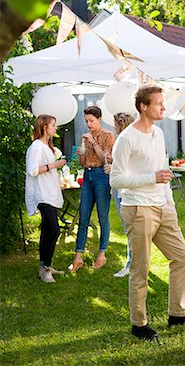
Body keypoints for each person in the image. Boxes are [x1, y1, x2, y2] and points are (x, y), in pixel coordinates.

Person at [110, 84, 185, 341]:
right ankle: (138, 323)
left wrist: (169, 204)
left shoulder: (159, 134)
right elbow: (116, 180)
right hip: (138, 208)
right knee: (141, 268)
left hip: (163, 206)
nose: (164, 107)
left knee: (182, 256)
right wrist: (151, 178)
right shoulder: (127, 138)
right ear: (144, 106)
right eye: (158, 103)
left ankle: (177, 314)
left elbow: (163, 172)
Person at [68, 106, 115, 272]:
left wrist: (93, 142)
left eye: (91, 121)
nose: (88, 124)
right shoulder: (85, 138)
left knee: (103, 217)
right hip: (87, 177)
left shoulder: (108, 136)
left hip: (102, 176)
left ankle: (102, 254)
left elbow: (105, 159)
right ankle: (78, 256)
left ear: (99, 119)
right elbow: (83, 163)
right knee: (83, 216)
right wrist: (81, 153)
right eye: (86, 121)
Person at [25, 115, 67, 283]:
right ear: (44, 127)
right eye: (53, 125)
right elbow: (33, 170)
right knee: (54, 230)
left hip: (50, 193)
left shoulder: (47, 147)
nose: (55, 128)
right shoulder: (36, 147)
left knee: (48, 231)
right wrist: (54, 165)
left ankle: (45, 267)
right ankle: (46, 267)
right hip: (41, 194)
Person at [104, 112, 135, 278]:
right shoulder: (127, 140)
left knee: (129, 228)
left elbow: (129, 167)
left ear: (120, 125)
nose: (114, 127)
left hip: (124, 190)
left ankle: (131, 264)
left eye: (115, 124)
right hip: (122, 189)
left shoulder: (125, 141)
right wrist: (113, 161)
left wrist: (112, 168)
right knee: (129, 228)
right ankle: (134, 262)